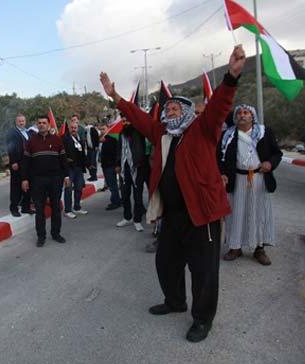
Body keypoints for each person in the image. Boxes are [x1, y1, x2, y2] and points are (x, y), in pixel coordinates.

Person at [100, 44, 246, 343]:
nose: (169, 111)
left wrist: (231, 77)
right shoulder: (162, 134)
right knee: (165, 262)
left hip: (201, 214)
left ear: (189, 112)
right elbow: (139, 118)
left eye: (175, 107)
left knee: (203, 271)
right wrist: (115, 97)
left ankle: (202, 319)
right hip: (173, 213)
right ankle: (175, 301)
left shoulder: (203, 129)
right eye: (167, 108)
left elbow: (219, 106)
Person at [218, 104, 282, 265]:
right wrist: (222, 173)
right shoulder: (227, 135)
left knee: (258, 214)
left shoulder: (264, 132)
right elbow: (218, 157)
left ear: (252, 116)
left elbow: (277, 153)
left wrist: (270, 163)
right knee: (235, 214)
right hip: (236, 179)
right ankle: (235, 247)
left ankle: (259, 249)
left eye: (246, 112)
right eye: (239, 113)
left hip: (259, 178)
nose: (242, 115)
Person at [21, 115, 71, 247]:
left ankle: (56, 234)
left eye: (44, 122)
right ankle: (41, 237)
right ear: (37, 125)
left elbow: (63, 160)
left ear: (49, 125)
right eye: (39, 123)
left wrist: (66, 176)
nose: (42, 124)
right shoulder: (31, 142)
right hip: (37, 180)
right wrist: (24, 179)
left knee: (55, 207)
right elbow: (25, 162)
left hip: (55, 179)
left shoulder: (57, 140)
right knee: (39, 209)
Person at [116, 115, 149, 232]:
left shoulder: (139, 132)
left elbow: (141, 149)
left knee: (137, 196)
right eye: (123, 122)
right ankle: (127, 217)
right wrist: (118, 165)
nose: (125, 124)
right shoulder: (121, 134)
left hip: (137, 168)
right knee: (125, 194)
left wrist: (139, 163)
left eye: (127, 121)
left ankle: (137, 220)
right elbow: (119, 150)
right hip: (124, 170)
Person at [7, 114, 34, 217]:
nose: (21, 123)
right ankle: (14, 208)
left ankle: (25, 208)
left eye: (23, 121)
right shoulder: (12, 133)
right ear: (16, 122)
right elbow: (10, 148)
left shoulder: (28, 132)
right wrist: (13, 161)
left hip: (28, 164)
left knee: (27, 185)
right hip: (17, 164)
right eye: (19, 121)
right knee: (16, 187)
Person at [62, 117, 88, 218]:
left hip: (78, 168)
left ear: (78, 129)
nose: (73, 129)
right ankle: (68, 210)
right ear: (69, 128)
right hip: (69, 168)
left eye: (75, 128)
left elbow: (81, 153)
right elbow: (62, 153)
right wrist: (66, 160)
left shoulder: (79, 138)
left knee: (79, 188)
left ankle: (77, 207)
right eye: (72, 127)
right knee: (68, 189)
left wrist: (87, 164)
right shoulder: (64, 138)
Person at [99, 121, 121, 210]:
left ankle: (116, 202)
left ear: (108, 128)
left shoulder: (111, 140)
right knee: (112, 184)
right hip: (106, 165)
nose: (102, 131)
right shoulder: (103, 139)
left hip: (110, 166)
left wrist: (117, 165)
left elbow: (116, 153)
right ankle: (116, 200)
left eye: (104, 129)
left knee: (112, 185)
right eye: (101, 130)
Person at [84, 118, 101, 182]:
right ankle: (92, 175)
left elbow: (96, 138)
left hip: (94, 148)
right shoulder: (87, 131)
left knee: (93, 162)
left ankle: (94, 176)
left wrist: (96, 146)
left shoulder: (92, 130)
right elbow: (87, 139)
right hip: (89, 149)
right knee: (88, 162)